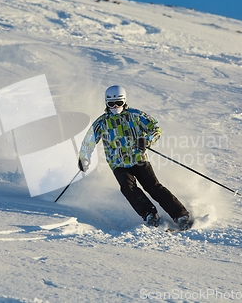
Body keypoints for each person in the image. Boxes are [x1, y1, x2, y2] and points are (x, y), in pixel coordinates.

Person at [78, 85, 192, 230]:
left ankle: (180, 215)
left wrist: (146, 139)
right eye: (111, 104)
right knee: (128, 188)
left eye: (118, 103)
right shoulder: (102, 122)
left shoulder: (136, 115)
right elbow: (89, 141)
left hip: (138, 158)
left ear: (124, 101)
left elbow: (155, 128)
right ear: (106, 103)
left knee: (152, 186)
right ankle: (150, 214)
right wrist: (84, 158)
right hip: (117, 163)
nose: (115, 106)